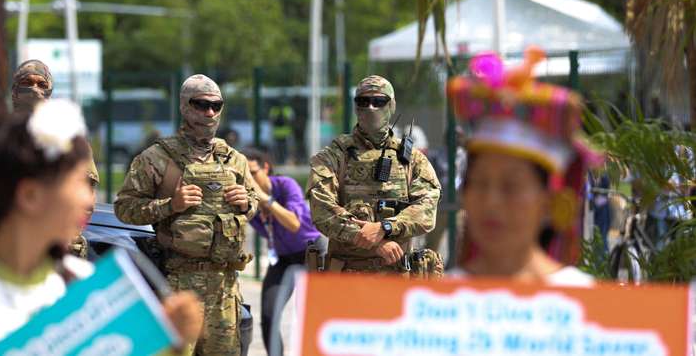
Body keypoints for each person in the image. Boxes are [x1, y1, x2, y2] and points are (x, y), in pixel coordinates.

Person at [0, 100, 202, 356]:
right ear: (30, 195)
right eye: (77, 184)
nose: (88, 201)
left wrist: (170, 343)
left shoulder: (88, 290)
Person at [115, 74, 259, 356]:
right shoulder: (157, 158)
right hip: (180, 285)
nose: (209, 113)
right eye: (201, 104)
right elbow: (125, 208)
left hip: (224, 288)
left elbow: (252, 203)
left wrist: (247, 204)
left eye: (216, 106)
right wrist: (170, 205)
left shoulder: (234, 159)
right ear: (184, 106)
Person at [445, 48, 602, 285]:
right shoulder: (436, 302)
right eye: (478, 183)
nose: (491, 202)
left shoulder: (585, 302)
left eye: (511, 187)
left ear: (549, 202)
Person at [0, 59, 100, 258]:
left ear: (50, 92)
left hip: (54, 253)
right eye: (27, 83)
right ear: (14, 91)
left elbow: (85, 200)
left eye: (41, 84)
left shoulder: (70, 141)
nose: (34, 89)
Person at [306, 75, 442, 275]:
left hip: (397, 279)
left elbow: (426, 210)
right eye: (363, 101)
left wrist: (385, 227)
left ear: (392, 105)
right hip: (346, 280)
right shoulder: (333, 157)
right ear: (355, 107)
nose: (370, 107)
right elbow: (323, 212)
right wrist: (375, 243)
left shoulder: (413, 160)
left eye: (379, 101)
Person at [242, 147, 323, 355]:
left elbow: (294, 224)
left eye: (252, 173)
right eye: (244, 176)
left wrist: (265, 200)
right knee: (269, 315)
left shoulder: (286, 185)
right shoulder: (250, 201)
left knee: (310, 314)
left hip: (310, 252)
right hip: (281, 259)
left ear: (266, 168)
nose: (249, 181)